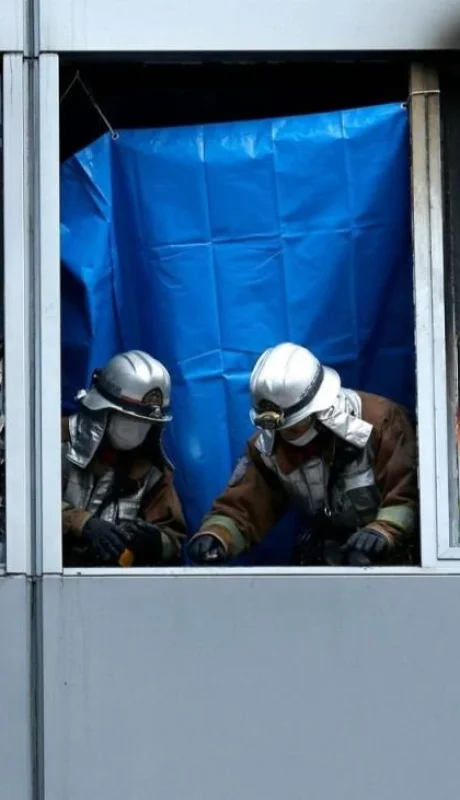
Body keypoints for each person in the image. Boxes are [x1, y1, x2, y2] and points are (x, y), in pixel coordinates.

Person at [187, 342, 418, 567]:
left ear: (320, 410)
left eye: (294, 426)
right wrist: (218, 535)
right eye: (278, 429)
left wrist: (384, 531)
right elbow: (244, 504)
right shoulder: (268, 448)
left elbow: (408, 493)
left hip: (395, 562)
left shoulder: (381, 422)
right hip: (327, 560)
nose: (286, 435)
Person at [62, 350, 186, 567]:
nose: (136, 432)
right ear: (102, 412)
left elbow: (173, 538)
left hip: (112, 590)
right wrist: (82, 524)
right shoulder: (52, 441)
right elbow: (14, 506)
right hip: (43, 585)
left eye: (145, 424)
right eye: (128, 419)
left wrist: (157, 543)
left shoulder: (152, 471)